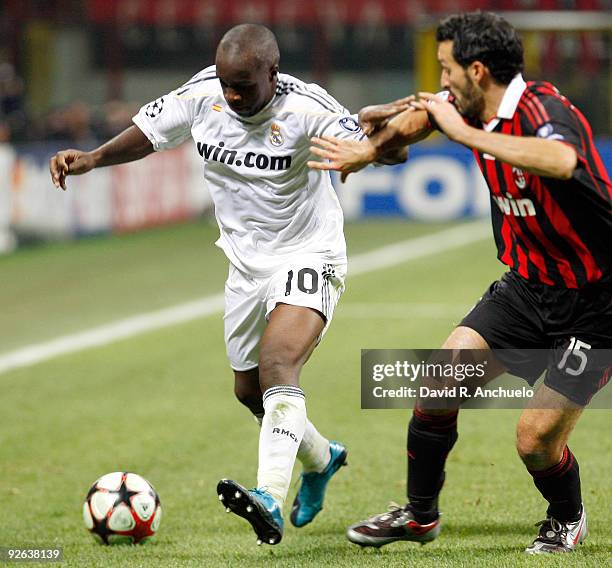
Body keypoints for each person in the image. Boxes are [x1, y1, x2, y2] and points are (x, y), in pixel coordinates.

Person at [49, 24, 407, 546]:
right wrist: (93, 158)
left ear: (272, 74)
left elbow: (381, 148)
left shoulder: (308, 108)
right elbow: (148, 134)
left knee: (278, 364)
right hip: (244, 263)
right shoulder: (203, 94)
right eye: (226, 84)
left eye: (244, 85)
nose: (233, 95)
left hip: (309, 251)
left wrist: (379, 147)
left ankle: (268, 496)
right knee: (249, 391)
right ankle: (321, 458)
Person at [308, 11, 611, 555]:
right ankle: (419, 516)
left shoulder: (545, 111)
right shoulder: (470, 106)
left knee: (534, 442)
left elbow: (561, 160)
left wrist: (464, 133)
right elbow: (426, 116)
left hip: (598, 302)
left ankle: (567, 517)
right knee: (438, 381)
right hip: (527, 288)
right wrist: (369, 149)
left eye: (447, 69)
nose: (440, 80)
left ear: (476, 71)